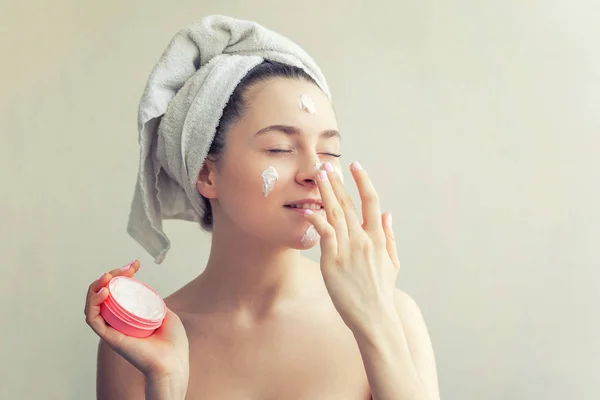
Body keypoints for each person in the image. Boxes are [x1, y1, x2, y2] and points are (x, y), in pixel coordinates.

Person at [84, 17, 440, 400]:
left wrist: (376, 324)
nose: (314, 172)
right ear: (206, 173)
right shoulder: (141, 347)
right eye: (280, 149)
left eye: (329, 151)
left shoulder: (393, 315)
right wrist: (166, 386)